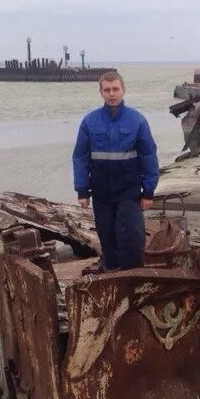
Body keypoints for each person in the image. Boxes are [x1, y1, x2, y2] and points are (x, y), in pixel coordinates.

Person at [72, 71, 159, 270]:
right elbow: (80, 157)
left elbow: (149, 156)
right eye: (107, 90)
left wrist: (148, 192)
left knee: (132, 238)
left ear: (123, 90)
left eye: (116, 89)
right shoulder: (89, 122)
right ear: (101, 92)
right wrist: (82, 191)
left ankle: (133, 277)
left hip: (129, 192)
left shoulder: (137, 120)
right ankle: (111, 275)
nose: (112, 94)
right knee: (107, 238)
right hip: (101, 193)